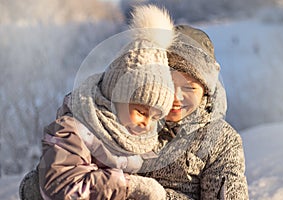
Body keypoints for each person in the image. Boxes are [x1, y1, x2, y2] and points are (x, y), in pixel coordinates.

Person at [19, 5, 176, 200]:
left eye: (155, 117)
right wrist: (129, 187)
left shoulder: (144, 146)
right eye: (141, 112)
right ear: (116, 97)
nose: (147, 123)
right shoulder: (74, 130)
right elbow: (62, 186)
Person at [139, 24, 249, 199]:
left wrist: (156, 195)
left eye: (189, 88)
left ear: (205, 90)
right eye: (166, 84)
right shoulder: (128, 123)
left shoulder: (221, 141)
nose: (176, 97)